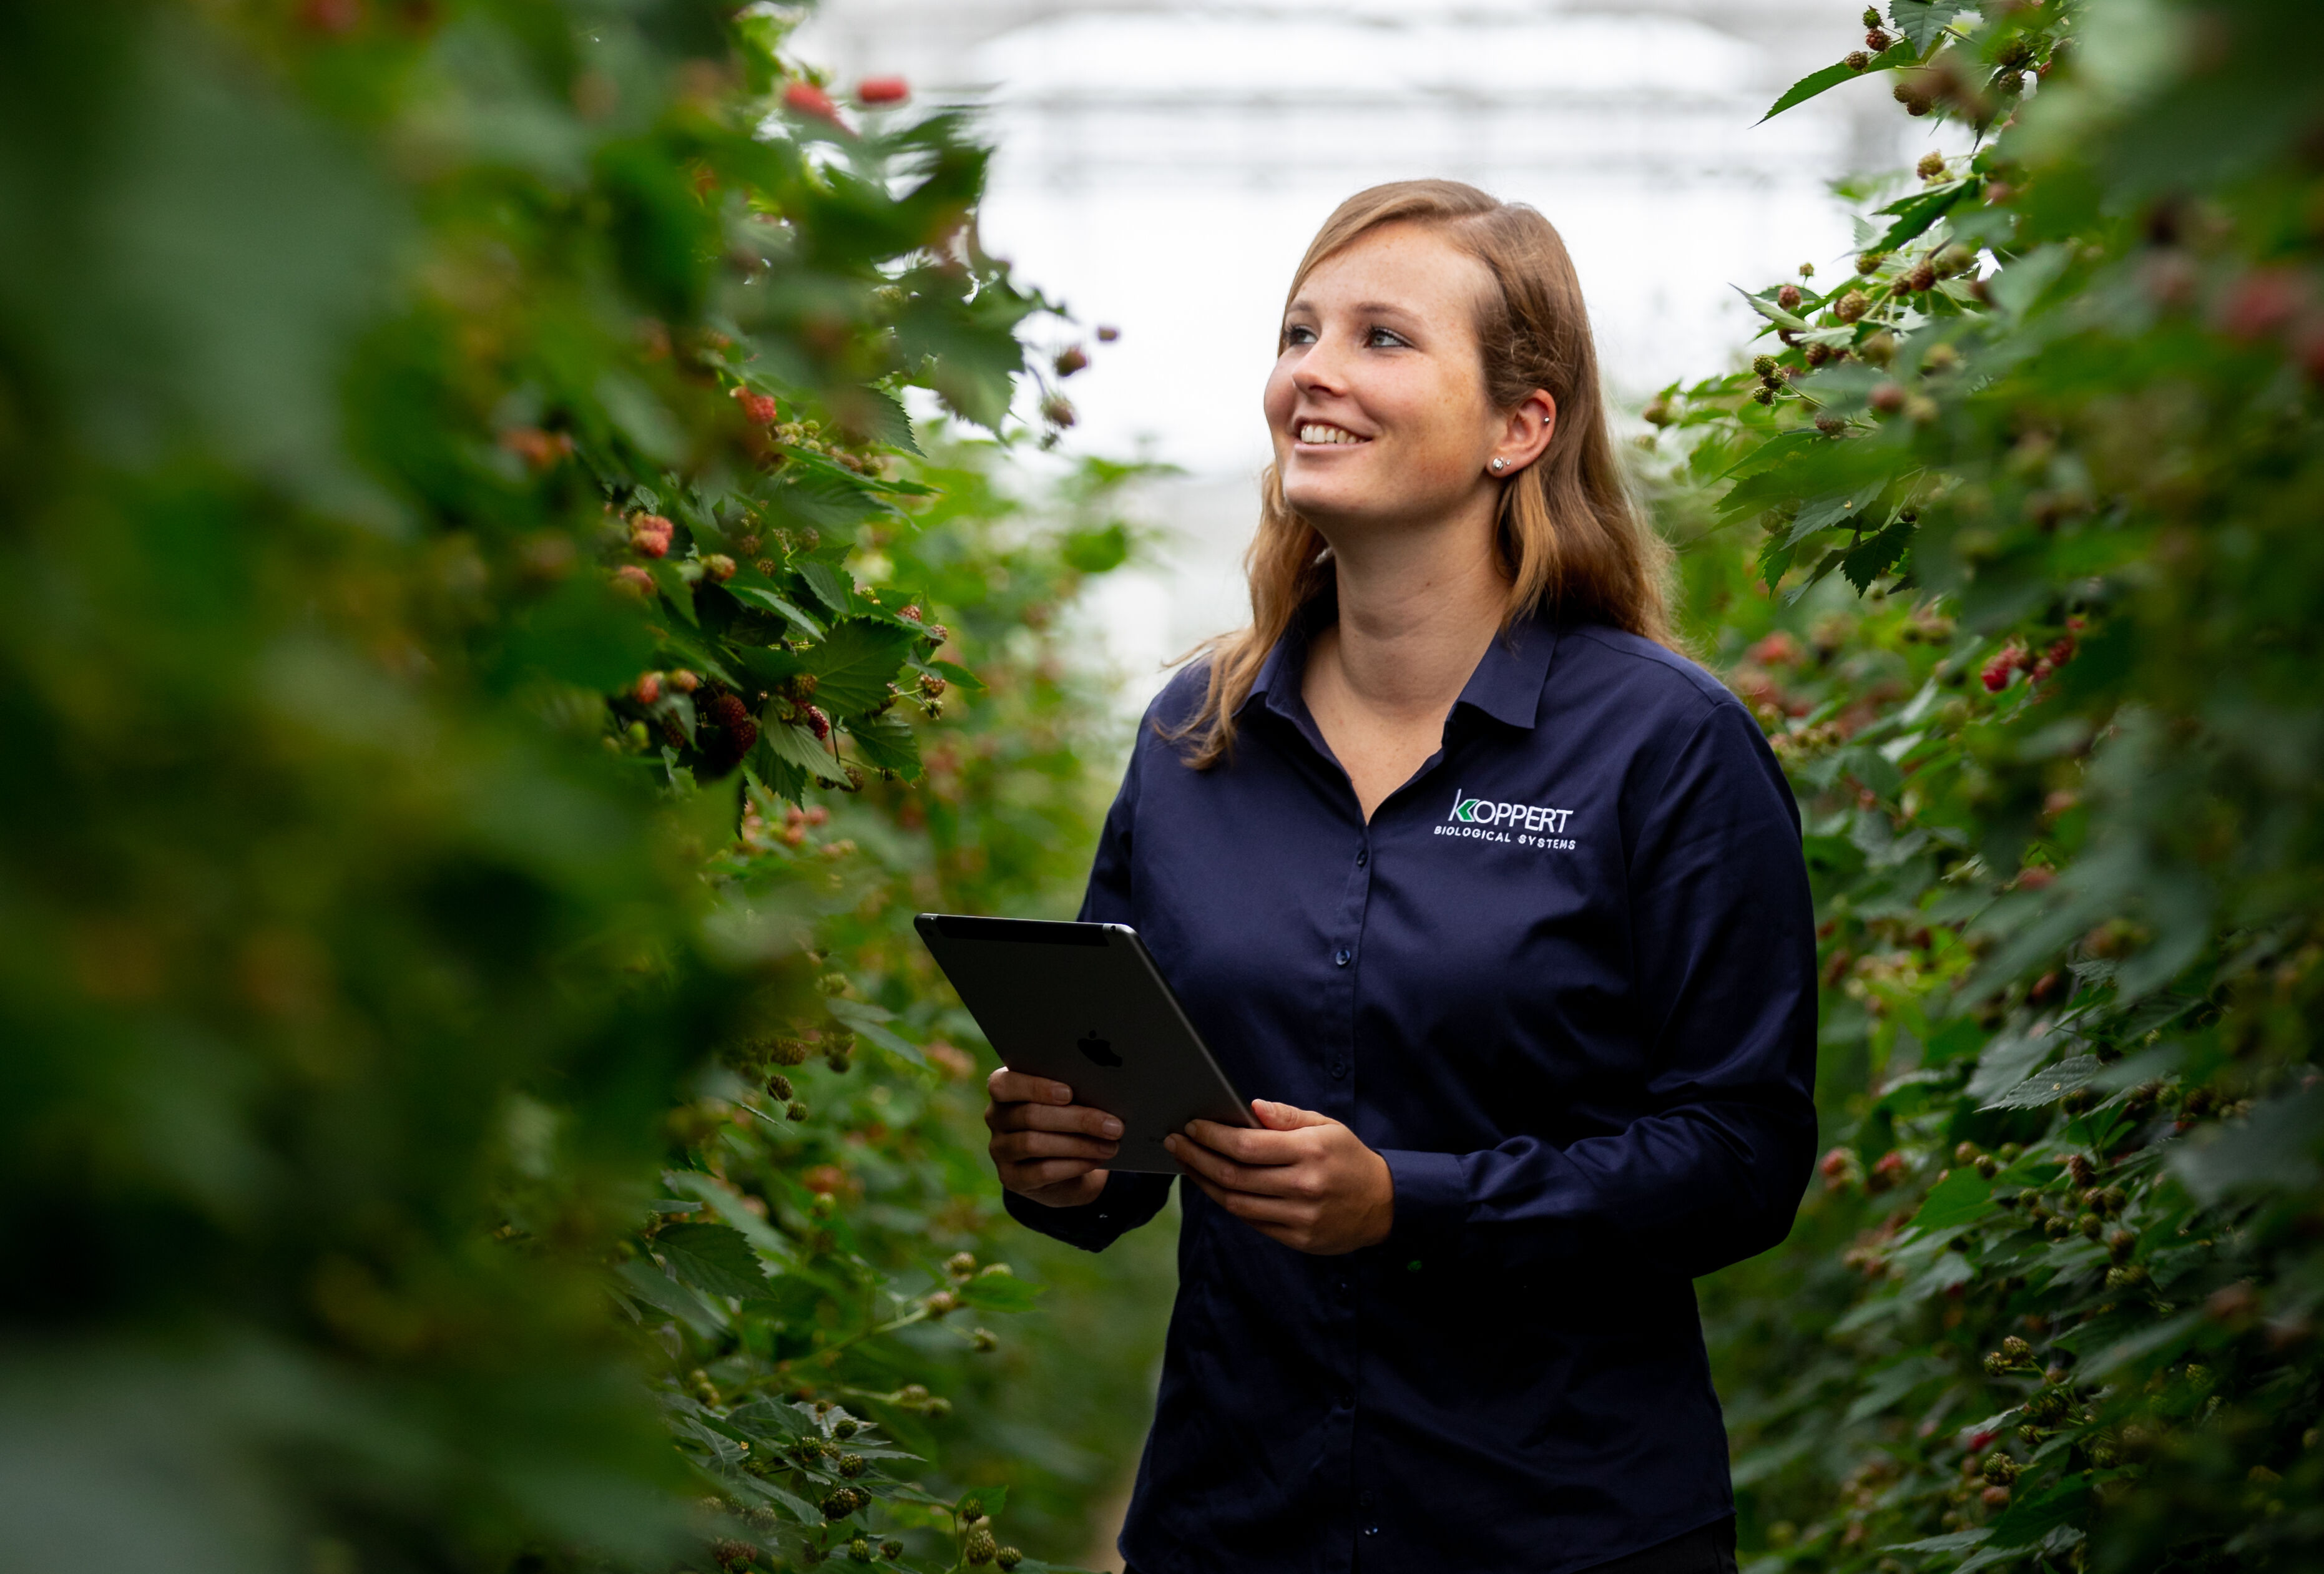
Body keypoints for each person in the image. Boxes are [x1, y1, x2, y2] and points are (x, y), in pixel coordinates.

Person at [983, 180, 1817, 1574]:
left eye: (1380, 338)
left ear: (1518, 425)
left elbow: (1740, 1158)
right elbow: (1127, 1122)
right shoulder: (1197, 736)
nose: (1313, 371)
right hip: (1236, 1519)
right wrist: (1064, 1158)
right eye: (1299, 331)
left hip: (1558, 1527)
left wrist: (1408, 1199)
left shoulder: (1664, 746)